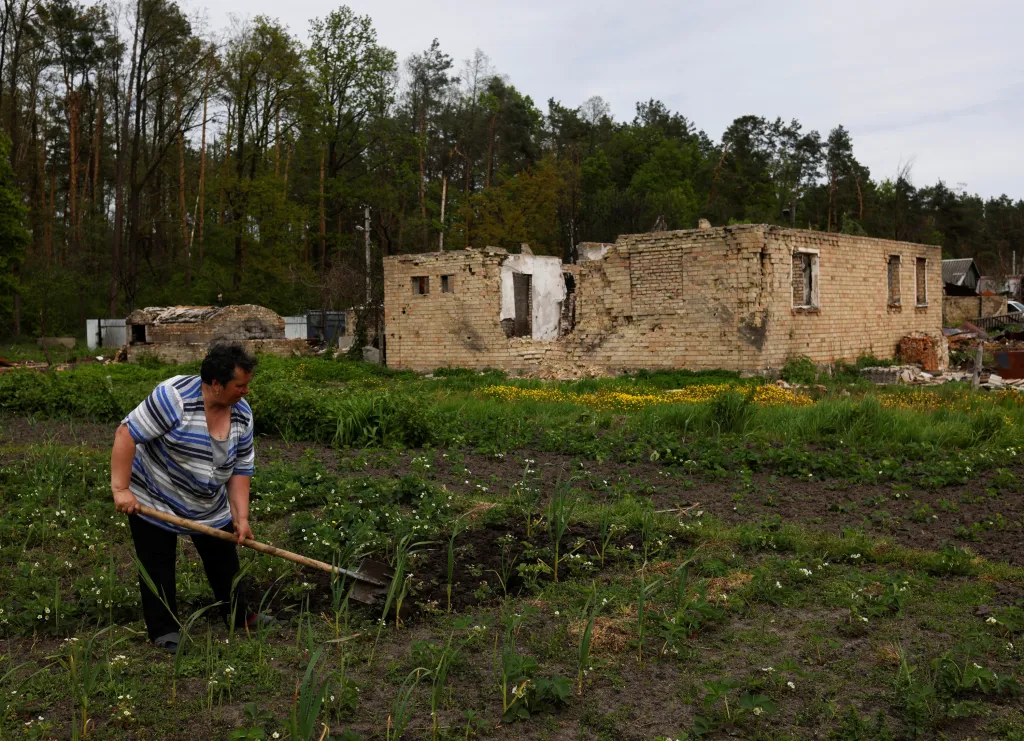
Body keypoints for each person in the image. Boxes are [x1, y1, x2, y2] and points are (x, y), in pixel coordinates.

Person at [110, 343, 271, 651]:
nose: (246, 392)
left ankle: (239, 616)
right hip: (154, 495)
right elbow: (125, 434)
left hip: (207, 501)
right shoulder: (173, 399)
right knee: (157, 563)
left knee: (224, 560)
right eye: (240, 385)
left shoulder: (242, 414)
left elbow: (240, 469)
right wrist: (121, 489)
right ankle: (164, 630)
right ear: (215, 384)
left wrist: (242, 519)